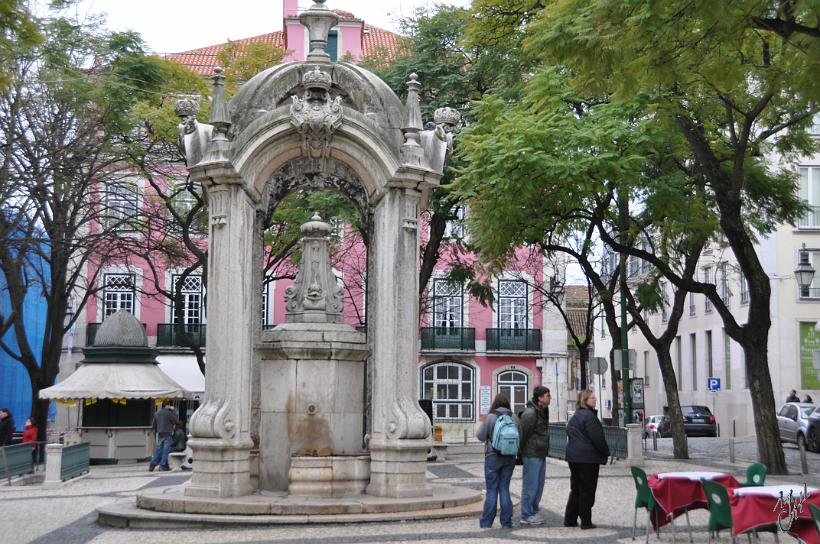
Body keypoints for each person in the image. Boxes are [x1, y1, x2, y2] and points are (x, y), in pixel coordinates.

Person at [563, 389, 610, 530]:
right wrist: (606, 452)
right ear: (585, 401)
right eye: (592, 398)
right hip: (587, 459)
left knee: (576, 488)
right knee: (587, 489)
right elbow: (597, 438)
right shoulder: (590, 417)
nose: (595, 400)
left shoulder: (576, 416)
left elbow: (569, 432)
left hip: (573, 457)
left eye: (595, 397)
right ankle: (586, 521)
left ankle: (570, 518)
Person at [476, 393, 519, 529]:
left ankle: (486, 522)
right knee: (504, 488)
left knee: (492, 489)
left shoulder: (491, 417)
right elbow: (520, 437)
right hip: (510, 457)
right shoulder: (514, 417)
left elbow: (480, 436)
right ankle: (506, 522)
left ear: (495, 403)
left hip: (492, 456)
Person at [518, 386, 551, 526]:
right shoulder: (530, 413)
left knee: (538, 485)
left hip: (540, 452)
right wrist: (521, 452)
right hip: (531, 453)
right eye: (547, 395)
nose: (550, 398)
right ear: (540, 398)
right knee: (530, 486)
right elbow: (523, 434)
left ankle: (533, 510)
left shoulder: (543, 410)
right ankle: (526, 514)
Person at [149, 400, 178, 472]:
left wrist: (157, 431)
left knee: (158, 450)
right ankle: (162, 466)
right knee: (165, 451)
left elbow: (153, 425)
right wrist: (173, 410)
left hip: (160, 434)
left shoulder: (157, 413)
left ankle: (153, 463)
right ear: (167, 405)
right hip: (167, 433)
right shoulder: (169, 413)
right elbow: (175, 420)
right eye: (169, 405)